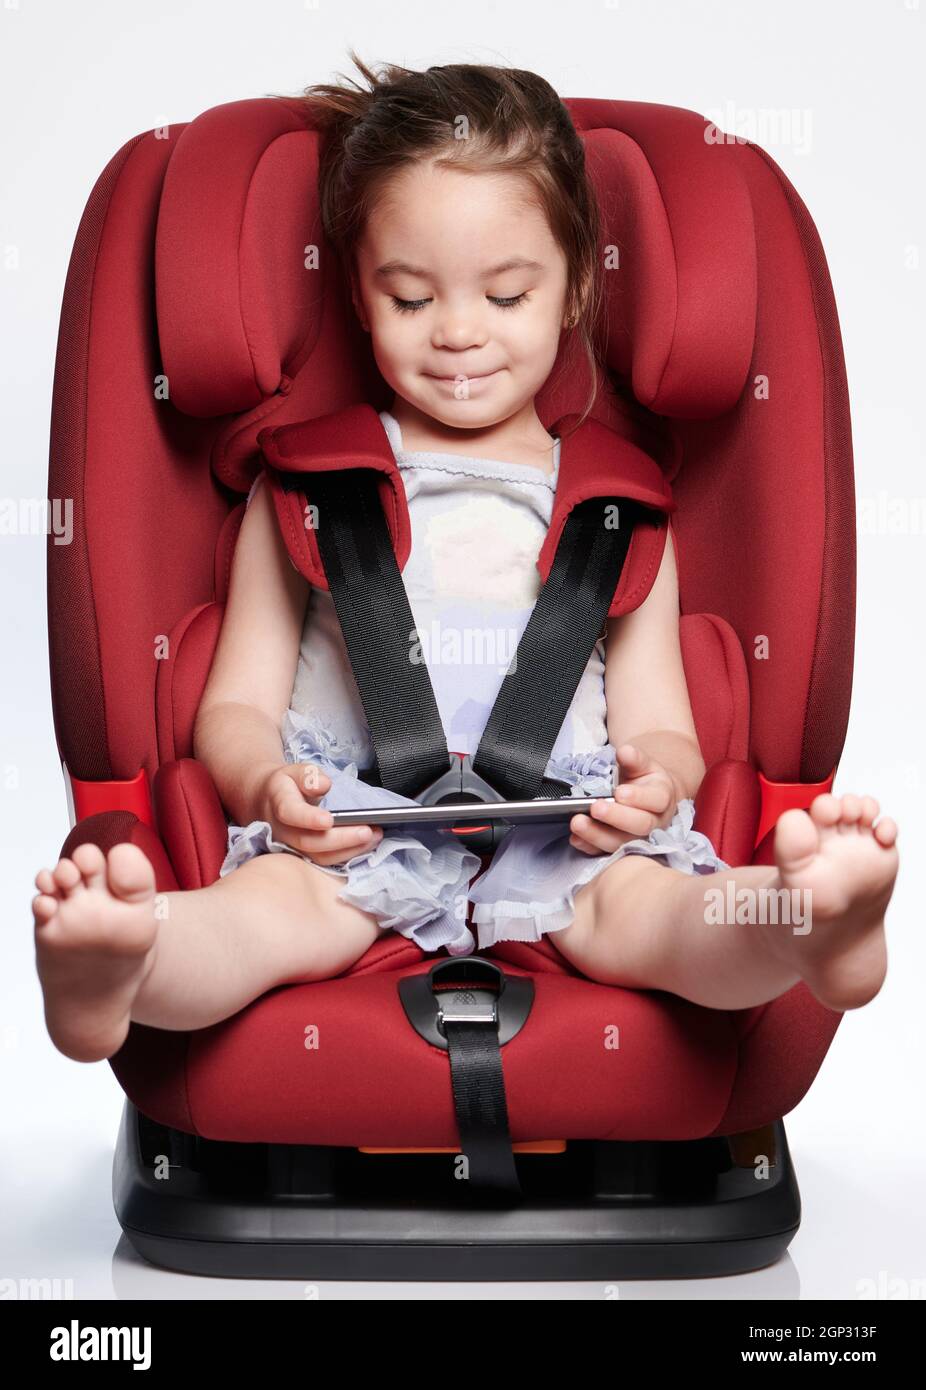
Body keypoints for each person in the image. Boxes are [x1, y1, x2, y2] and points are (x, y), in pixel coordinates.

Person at [32, 55, 898, 1063]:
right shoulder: (305, 491)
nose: (455, 333)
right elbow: (233, 706)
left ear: (574, 288)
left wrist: (650, 787)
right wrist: (266, 786)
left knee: (657, 919)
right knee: (259, 916)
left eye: (505, 295)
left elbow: (665, 731)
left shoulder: (616, 511)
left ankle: (801, 919)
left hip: (565, 826)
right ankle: (123, 961)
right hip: (355, 820)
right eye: (408, 299)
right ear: (357, 295)